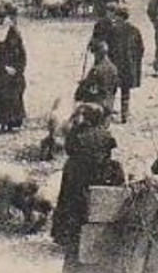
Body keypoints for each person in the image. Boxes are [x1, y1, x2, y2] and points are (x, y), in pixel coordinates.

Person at [51, 109, 121, 257]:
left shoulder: (78, 132)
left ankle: (65, 235)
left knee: (69, 201)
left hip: (76, 172)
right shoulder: (105, 135)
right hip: (98, 172)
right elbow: (109, 154)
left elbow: (69, 150)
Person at [110, 5, 145, 124]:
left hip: (114, 64)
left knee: (111, 89)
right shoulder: (135, 30)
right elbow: (140, 48)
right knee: (125, 90)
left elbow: (108, 48)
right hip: (128, 65)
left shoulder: (113, 30)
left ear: (119, 17)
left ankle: (108, 113)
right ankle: (124, 114)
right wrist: (135, 62)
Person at [76, 41, 121, 118]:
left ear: (98, 54)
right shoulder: (114, 68)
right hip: (109, 104)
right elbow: (114, 87)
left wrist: (80, 89)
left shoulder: (96, 70)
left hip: (98, 106)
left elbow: (87, 87)